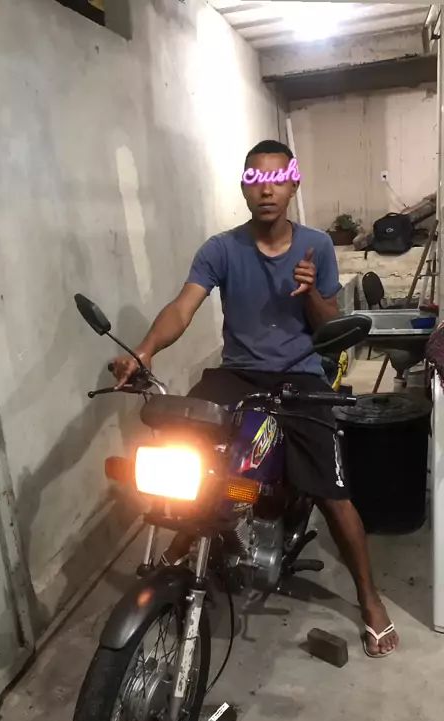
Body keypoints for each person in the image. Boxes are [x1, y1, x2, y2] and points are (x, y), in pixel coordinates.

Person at [112, 139, 398, 658]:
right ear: (245, 188)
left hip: (300, 375)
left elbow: (330, 327)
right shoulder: (221, 249)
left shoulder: (316, 246)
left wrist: (311, 294)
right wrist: (144, 351)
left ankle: (369, 599)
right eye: (256, 179)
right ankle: (183, 542)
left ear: (292, 185)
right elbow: (182, 308)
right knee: (188, 444)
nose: (266, 189)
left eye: (276, 178)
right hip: (238, 374)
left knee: (332, 492)